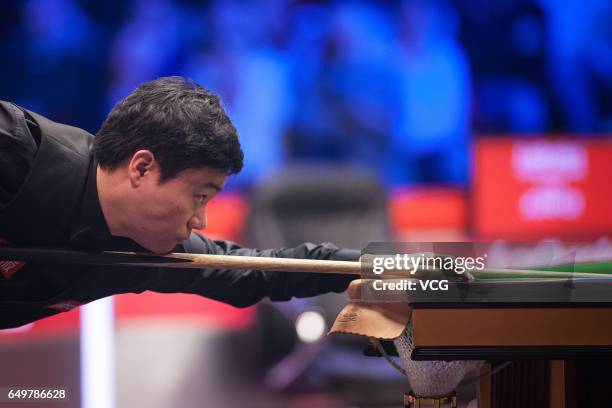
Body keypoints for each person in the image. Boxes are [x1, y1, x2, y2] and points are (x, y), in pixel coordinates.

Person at [0, 76, 359, 329]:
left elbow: (259, 272)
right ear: (142, 168)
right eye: (199, 196)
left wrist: (377, 267)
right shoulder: (16, 149)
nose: (200, 221)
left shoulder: (153, 252)